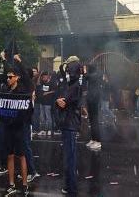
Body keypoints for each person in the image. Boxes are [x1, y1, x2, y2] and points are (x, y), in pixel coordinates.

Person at [0, 52, 34, 196]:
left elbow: (27, 78)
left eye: (10, 77)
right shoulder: (6, 91)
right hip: (8, 127)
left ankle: (25, 184)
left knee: (22, 156)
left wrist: (19, 62)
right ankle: (11, 184)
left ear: (17, 78)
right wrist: (4, 60)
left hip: (20, 128)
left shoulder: (23, 90)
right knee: (10, 156)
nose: (8, 79)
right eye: (7, 77)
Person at [56, 56, 82, 196]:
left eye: (69, 70)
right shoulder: (72, 83)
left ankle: (71, 189)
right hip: (68, 123)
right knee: (68, 158)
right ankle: (69, 186)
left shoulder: (75, 85)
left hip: (70, 124)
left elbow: (64, 102)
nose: (66, 73)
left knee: (70, 159)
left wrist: (59, 101)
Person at [86, 65, 102, 150]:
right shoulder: (93, 76)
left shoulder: (95, 75)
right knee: (91, 121)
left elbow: (86, 76)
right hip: (91, 100)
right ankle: (93, 139)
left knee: (95, 121)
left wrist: (85, 71)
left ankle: (98, 141)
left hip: (94, 101)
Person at [36, 71, 56, 136]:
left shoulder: (52, 83)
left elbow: (54, 90)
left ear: (48, 76)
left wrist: (47, 93)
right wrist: (40, 75)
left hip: (48, 102)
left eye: (44, 77)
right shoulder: (42, 82)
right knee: (42, 117)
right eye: (42, 77)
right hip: (42, 102)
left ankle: (49, 130)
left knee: (48, 117)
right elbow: (38, 83)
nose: (43, 78)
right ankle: (43, 130)